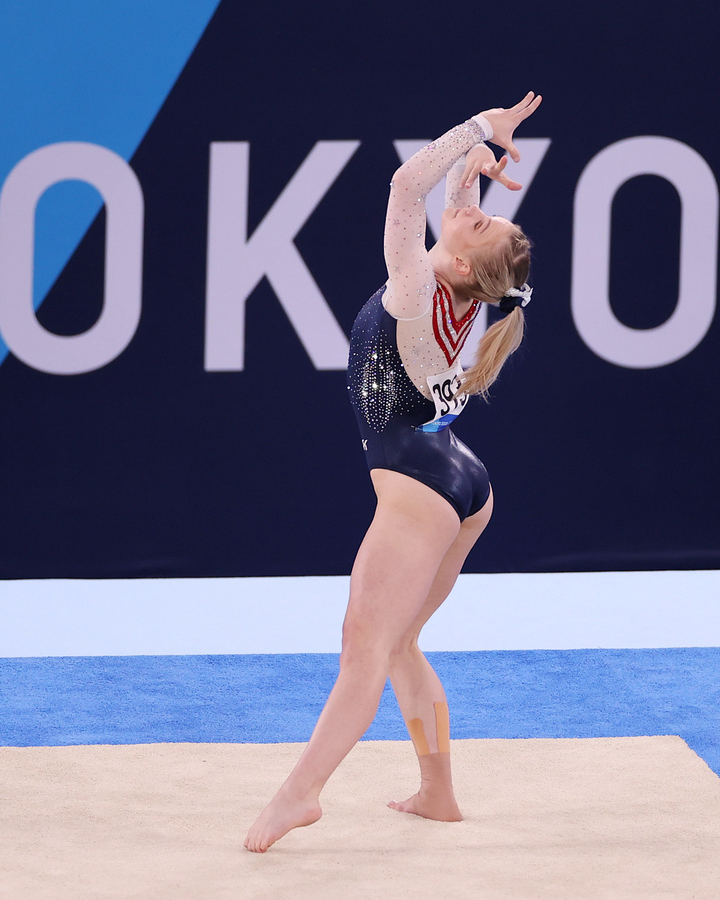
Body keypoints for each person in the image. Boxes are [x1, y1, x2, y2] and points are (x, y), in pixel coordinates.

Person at [244, 92, 542, 853]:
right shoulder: (469, 295)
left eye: (479, 224)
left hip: (418, 481)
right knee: (401, 642)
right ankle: (438, 794)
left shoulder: (415, 286)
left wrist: (479, 129)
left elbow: (407, 187)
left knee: (364, 650)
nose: (469, 214)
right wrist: (477, 168)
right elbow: (454, 208)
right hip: (463, 480)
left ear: (469, 260)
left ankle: (299, 794)